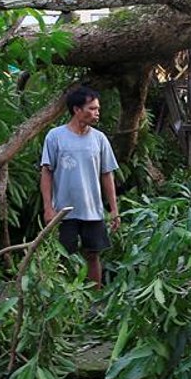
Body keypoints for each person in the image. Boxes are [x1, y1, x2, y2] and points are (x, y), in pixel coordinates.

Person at [40, 86, 120, 287]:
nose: (96, 113)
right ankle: (63, 300)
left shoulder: (99, 139)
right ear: (77, 110)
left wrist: (114, 209)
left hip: (92, 210)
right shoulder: (55, 136)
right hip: (63, 211)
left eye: (97, 109)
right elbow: (46, 173)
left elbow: (107, 174)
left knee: (93, 255)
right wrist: (48, 207)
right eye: (92, 108)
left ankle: (94, 300)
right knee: (62, 258)